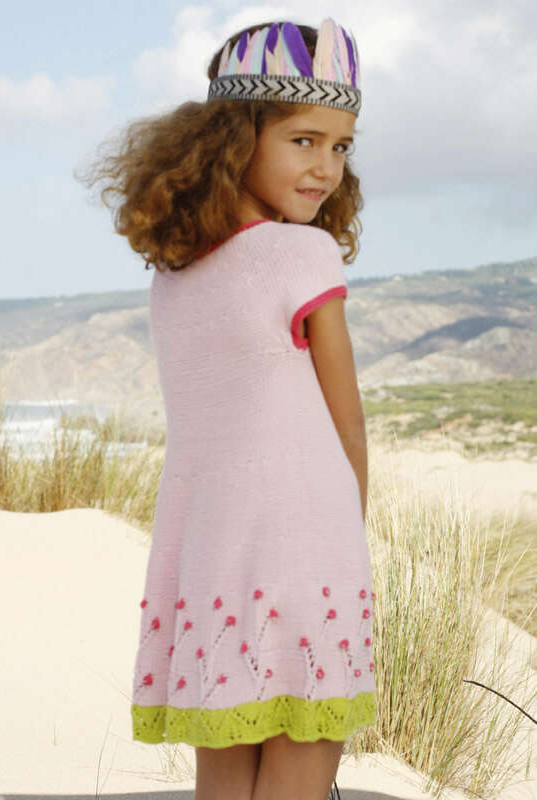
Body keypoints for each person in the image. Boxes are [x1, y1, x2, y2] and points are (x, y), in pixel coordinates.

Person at [77, 16, 376, 800]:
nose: (325, 169)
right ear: (234, 138)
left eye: (340, 147)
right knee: (303, 758)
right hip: (306, 540)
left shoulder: (174, 275)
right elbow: (346, 422)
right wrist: (352, 533)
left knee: (225, 773)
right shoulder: (301, 253)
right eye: (303, 141)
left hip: (209, 550)